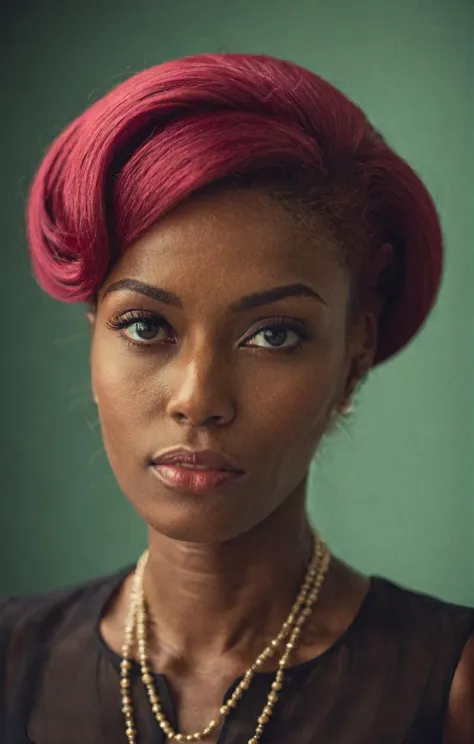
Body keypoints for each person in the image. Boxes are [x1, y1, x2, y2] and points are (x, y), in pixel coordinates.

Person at [0, 52, 472, 744]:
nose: (198, 399)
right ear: (95, 334)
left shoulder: (453, 685)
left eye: (274, 335)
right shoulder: (13, 665)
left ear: (355, 356)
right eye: (146, 326)